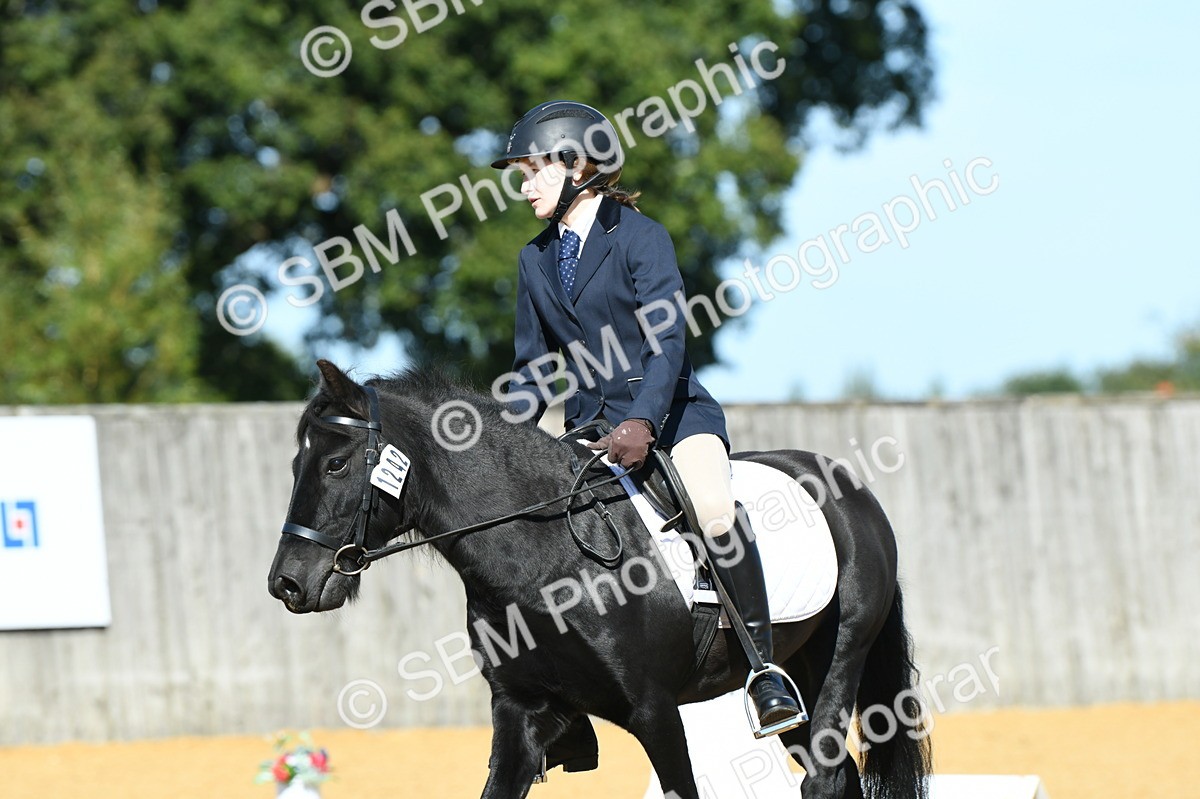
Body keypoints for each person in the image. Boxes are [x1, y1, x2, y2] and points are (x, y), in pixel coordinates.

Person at [492, 100, 803, 736]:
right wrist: (496, 432)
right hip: (586, 431)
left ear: (575, 166)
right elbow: (531, 366)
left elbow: (669, 343)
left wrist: (643, 421)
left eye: (530, 173)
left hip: (671, 417)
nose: (522, 187)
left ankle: (765, 670)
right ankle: (560, 703)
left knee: (713, 508)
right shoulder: (533, 259)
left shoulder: (641, 237)